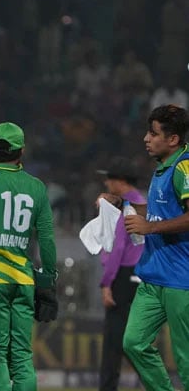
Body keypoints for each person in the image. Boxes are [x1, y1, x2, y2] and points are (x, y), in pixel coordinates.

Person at [0, 122, 58, 390]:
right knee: (21, 356)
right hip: (23, 280)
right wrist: (48, 281)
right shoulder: (37, 187)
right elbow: (47, 240)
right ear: (22, 151)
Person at [123, 104, 189, 390]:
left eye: (153, 133)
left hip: (181, 279)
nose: (146, 139)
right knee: (133, 342)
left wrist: (149, 228)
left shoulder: (184, 167)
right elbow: (158, 210)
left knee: (186, 359)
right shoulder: (162, 168)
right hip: (152, 277)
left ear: (173, 139)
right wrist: (122, 203)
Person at [94, 159, 145, 391]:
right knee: (137, 338)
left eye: (110, 179)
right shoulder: (142, 203)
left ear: (121, 182)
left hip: (123, 275)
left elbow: (118, 248)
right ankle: (155, 383)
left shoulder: (128, 208)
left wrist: (107, 283)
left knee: (114, 340)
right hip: (141, 275)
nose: (106, 183)